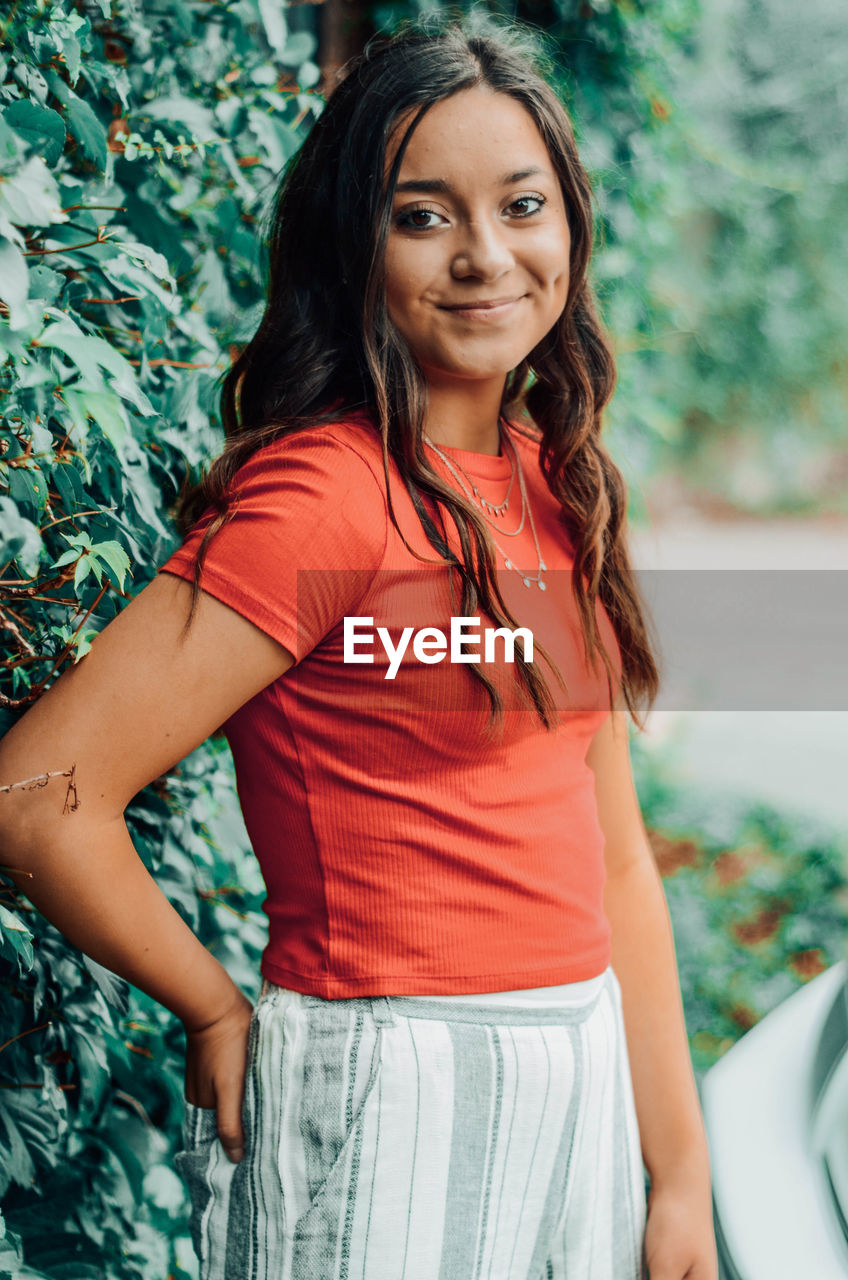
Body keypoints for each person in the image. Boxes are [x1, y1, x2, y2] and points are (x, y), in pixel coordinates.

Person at [0, 15, 718, 1280]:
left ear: (570, 226)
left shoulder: (559, 485)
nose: (485, 255)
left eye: (521, 204)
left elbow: (612, 865)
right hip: (388, 1088)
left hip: (578, 1076)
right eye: (422, 215)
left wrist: (677, 1174)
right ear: (355, 245)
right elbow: (37, 791)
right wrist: (214, 1004)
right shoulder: (321, 496)